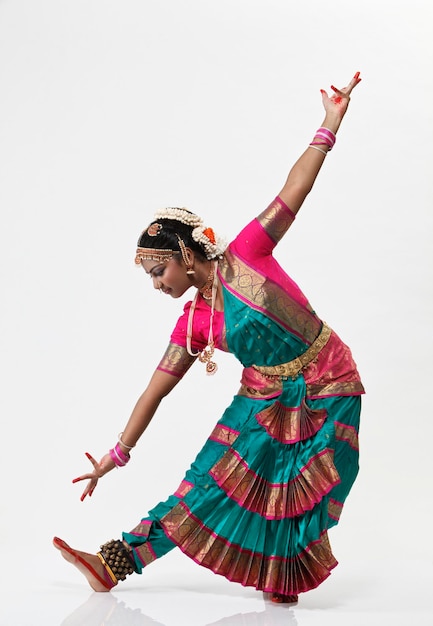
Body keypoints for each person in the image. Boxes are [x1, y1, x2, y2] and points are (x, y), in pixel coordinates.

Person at [54, 72, 364, 604]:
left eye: (159, 272)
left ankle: (282, 579)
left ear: (186, 255)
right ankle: (115, 562)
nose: (157, 286)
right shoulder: (194, 321)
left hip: (327, 375)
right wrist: (115, 454)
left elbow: (295, 189)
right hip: (263, 393)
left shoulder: (248, 253)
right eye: (150, 278)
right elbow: (155, 390)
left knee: (300, 485)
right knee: (208, 482)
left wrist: (329, 124)